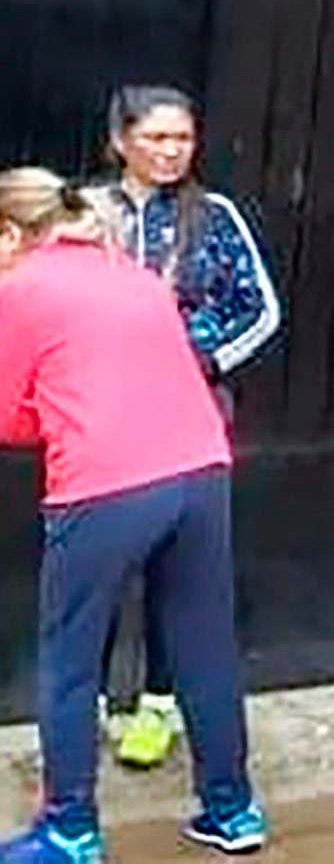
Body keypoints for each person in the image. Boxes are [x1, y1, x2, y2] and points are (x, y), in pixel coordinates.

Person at [0, 166, 270, 859]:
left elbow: (6, 417)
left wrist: (49, 415)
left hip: (105, 482)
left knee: (69, 659)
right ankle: (233, 812)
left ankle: (70, 828)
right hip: (201, 469)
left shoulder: (21, 288)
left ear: (9, 232)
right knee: (203, 646)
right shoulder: (134, 275)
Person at [85, 87, 281, 773]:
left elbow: (259, 309)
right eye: (156, 138)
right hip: (99, 415)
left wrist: (202, 360)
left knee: (176, 564)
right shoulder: (85, 215)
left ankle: (159, 705)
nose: (171, 151)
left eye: (183, 139)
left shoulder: (213, 217)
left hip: (188, 415)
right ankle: (96, 704)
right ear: (120, 141)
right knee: (98, 561)